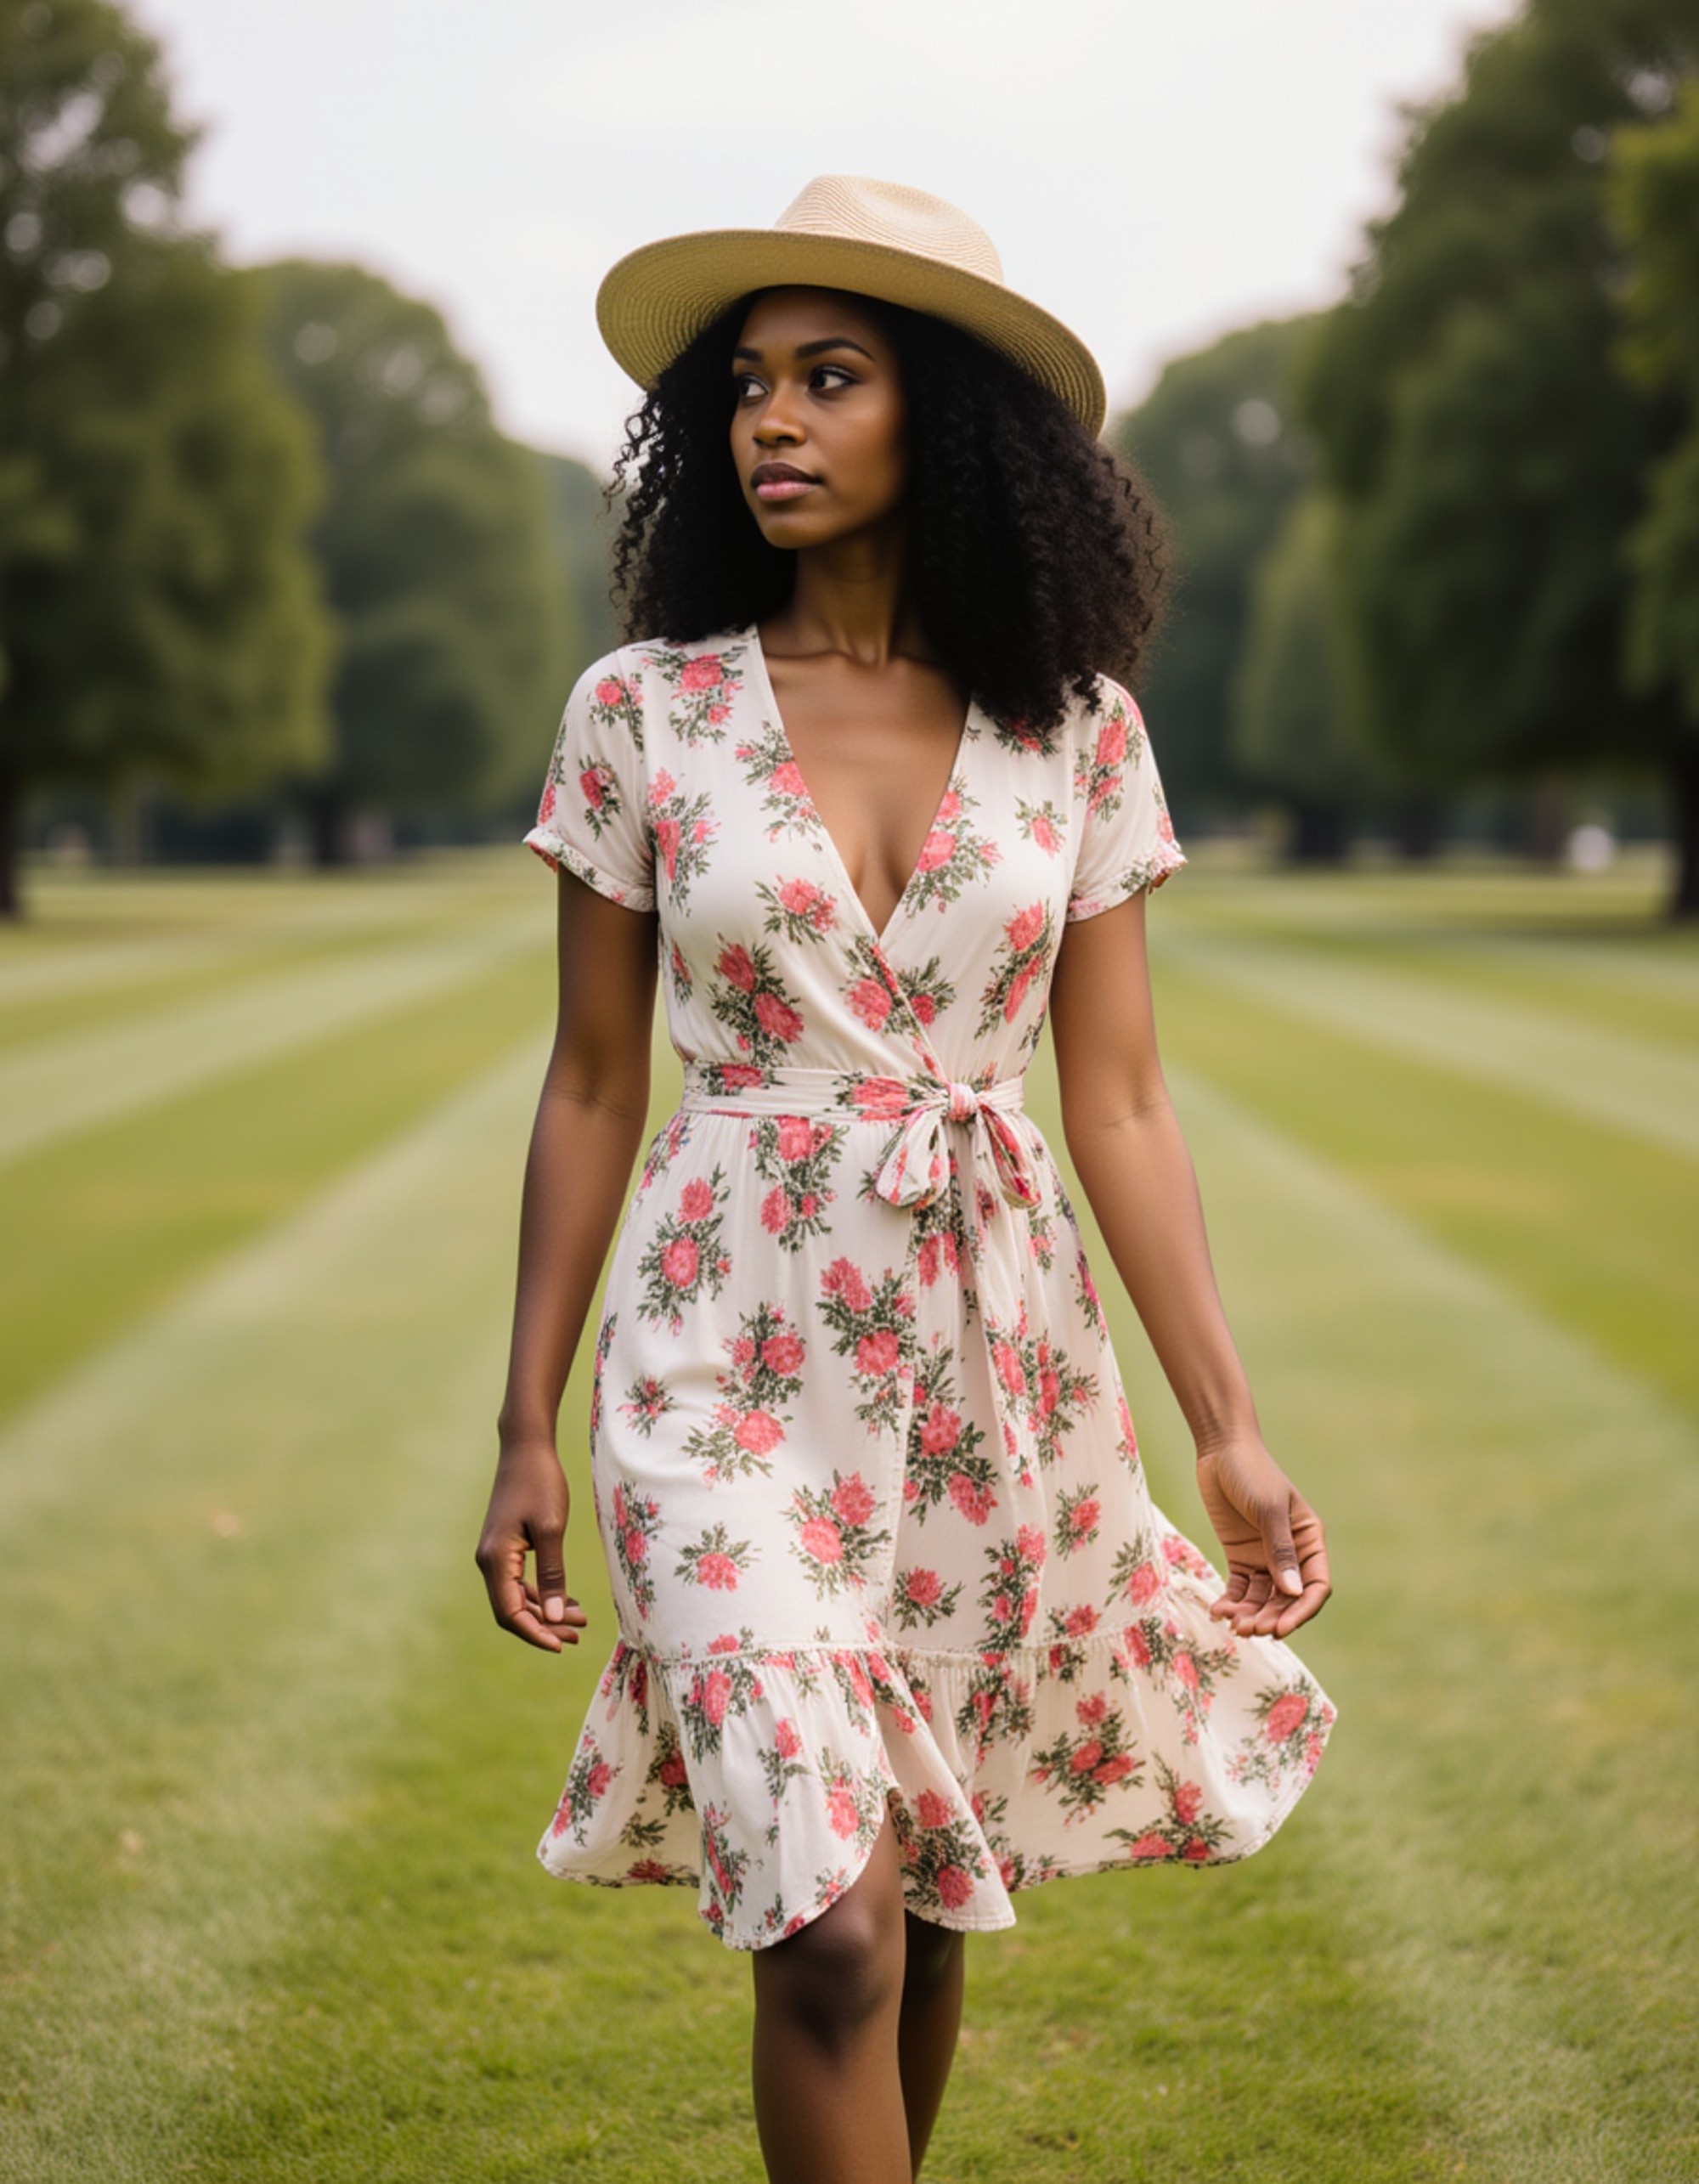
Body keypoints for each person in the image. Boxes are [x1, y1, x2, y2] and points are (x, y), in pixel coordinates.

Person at [476, 175, 1335, 2184]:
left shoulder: (1076, 733)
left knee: (933, 1897)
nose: (771, 422)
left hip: (989, 1365)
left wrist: (1227, 1428)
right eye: (747, 388)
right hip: (721, 1359)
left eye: (828, 379)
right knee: (831, 1915)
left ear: (938, 419)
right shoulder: (643, 715)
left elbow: (1115, 1100)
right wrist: (526, 1418)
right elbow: (596, 1081)